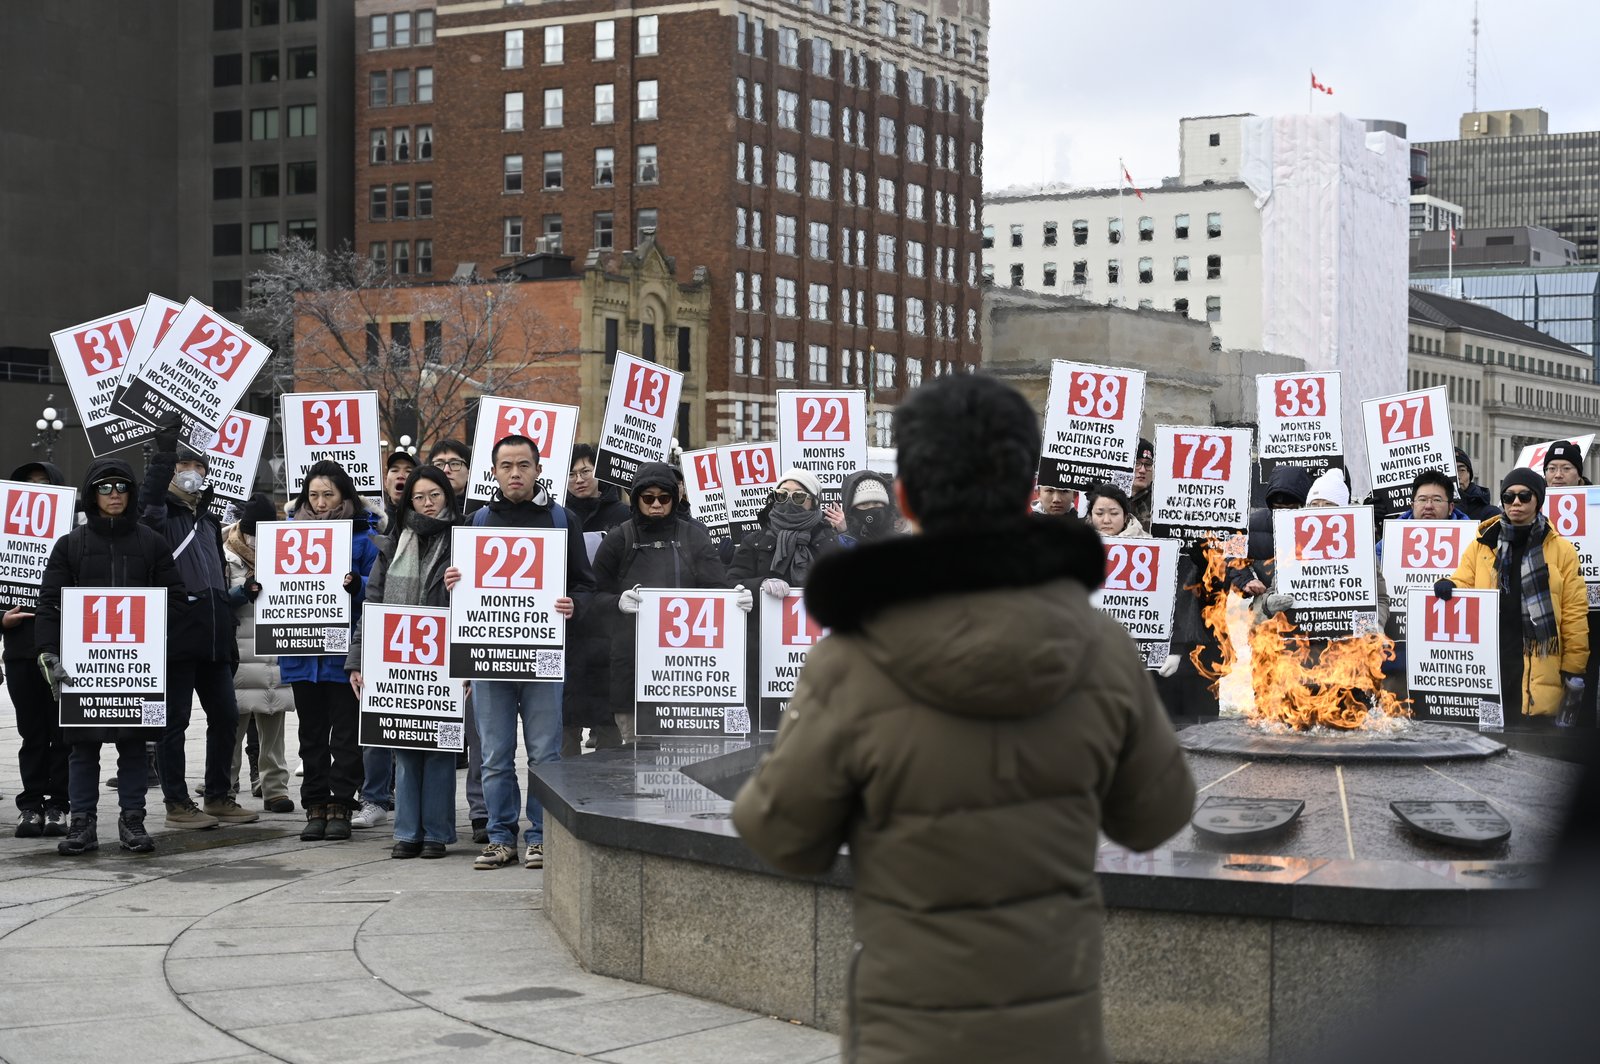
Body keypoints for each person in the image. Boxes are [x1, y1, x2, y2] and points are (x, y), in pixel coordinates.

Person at [732, 374, 1195, 1064]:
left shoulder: (852, 659)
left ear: (909, 498)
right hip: (1054, 1029)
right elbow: (1156, 817)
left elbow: (781, 835)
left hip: (908, 1026)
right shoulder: (1102, 648)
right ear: (1026, 490)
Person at [444, 434, 596, 871]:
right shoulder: (476, 522)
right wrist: (453, 584)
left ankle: (541, 836)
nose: (515, 473)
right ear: (493, 472)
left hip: (542, 654)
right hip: (489, 656)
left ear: (537, 469)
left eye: (523, 465)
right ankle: (498, 837)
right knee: (493, 755)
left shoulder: (562, 520)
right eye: (506, 465)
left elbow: (585, 584)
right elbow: (456, 598)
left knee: (545, 754)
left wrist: (575, 604)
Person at [36, 458, 185, 855]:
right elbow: (50, 603)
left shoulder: (151, 542)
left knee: (135, 748)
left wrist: (158, 646)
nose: (114, 493)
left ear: (131, 492)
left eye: (121, 486)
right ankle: (82, 823)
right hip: (86, 669)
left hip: (135, 668)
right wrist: (48, 652)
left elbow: (175, 599)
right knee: (82, 749)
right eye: (104, 487)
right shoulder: (71, 544)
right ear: (91, 495)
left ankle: (132, 820)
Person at [140, 422, 255, 829]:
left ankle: (219, 795)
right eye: (182, 465)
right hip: (176, 635)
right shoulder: (156, 514)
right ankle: (176, 804)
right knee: (175, 723)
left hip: (213, 635)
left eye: (197, 465)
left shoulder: (207, 521)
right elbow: (151, 497)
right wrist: (164, 452)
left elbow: (217, 578)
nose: (191, 472)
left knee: (225, 716)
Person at [348, 465, 461, 859]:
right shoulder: (393, 543)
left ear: (447, 495)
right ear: (406, 501)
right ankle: (408, 831)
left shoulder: (464, 539)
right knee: (405, 744)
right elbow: (373, 605)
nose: (427, 503)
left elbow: (479, 602)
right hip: (398, 656)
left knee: (442, 748)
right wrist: (358, 660)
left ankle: (437, 833)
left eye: (434, 494)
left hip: (445, 658)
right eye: (419, 496)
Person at [592, 462, 736, 743]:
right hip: (631, 668)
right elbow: (592, 596)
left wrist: (736, 601)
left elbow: (718, 589)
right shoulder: (618, 538)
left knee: (686, 758)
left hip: (686, 675)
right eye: (648, 498)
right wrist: (616, 603)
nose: (656, 504)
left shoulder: (693, 536)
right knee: (637, 759)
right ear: (636, 500)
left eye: (664, 498)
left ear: (674, 498)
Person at [1436, 468, 1589, 723]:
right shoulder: (1483, 543)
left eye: (1524, 496)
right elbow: (1464, 581)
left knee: (1532, 748)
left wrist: (1574, 667)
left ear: (1537, 500)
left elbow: (1574, 613)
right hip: (1493, 656)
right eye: (1508, 497)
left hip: (1539, 660)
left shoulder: (1562, 550)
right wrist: (1449, 585)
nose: (1516, 502)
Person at [279, 461, 380, 841]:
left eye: (329, 494)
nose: (320, 503)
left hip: (344, 655)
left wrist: (357, 584)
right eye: (314, 495)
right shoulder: (287, 536)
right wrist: (260, 589)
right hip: (303, 653)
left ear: (345, 496)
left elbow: (377, 591)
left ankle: (341, 802)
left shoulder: (364, 538)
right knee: (311, 736)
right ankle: (314, 805)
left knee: (346, 736)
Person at [426, 436, 489, 837]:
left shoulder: (485, 519)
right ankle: (434, 818)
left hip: (472, 637)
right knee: (434, 736)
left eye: (455, 464)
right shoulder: (413, 519)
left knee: (480, 735)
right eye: (439, 463)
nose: (447, 470)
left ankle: (481, 811)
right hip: (427, 640)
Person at [5, 460, 72, 838]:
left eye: (43, 483)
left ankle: (58, 805)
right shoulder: (5, 539)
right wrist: (2, 619)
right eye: (28, 484)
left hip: (60, 649)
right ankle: (30, 805)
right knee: (31, 733)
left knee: (61, 734)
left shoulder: (72, 538)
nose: (36, 490)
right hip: (19, 650)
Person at [222, 494, 295, 813]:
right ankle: (222, 787)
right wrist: (240, 593)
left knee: (273, 723)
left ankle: (275, 788)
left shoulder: (286, 551)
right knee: (230, 726)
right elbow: (217, 597)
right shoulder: (223, 551)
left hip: (272, 651)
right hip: (237, 650)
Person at [561, 444, 628, 755]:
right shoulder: (557, 516)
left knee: (608, 725)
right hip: (568, 627)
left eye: (585, 471)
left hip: (607, 628)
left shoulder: (623, 515)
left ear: (599, 474)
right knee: (564, 724)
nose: (579, 479)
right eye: (572, 473)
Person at [1544, 441, 1600, 725]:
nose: (1558, 475)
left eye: (1566, 468)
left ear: (1578, 474)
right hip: (1549, 603)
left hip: (1593, 609)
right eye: (1552, 469)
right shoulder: (1533, 505)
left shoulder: (1596, 505)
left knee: (1585, 672)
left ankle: (1584, 727)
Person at [1231, 464, 1311, 598]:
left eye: (1291, 509)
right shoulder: (1252, 526)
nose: (1283, 514)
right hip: (1269, 607)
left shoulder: (1322, 528)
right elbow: (1231, 554)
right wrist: (1246, 580)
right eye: (1278, 508)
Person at [824, 469, 904, 547]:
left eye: (876, 503)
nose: (872, 508)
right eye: (864, 504)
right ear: (852, 509)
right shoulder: (838, 545)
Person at [1455, 447, 1502, 522]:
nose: (1457, 476)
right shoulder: (1431, 512)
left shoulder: (1490, 514)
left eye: (1461, 470)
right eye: (1452, 471)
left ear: (1469, 475)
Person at [382, 450, 417, 528]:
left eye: (408, 471)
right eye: (394, 470)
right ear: (385, 481)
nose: (400, 475)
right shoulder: (376, 525)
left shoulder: (428, 521)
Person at [1129, 437, 1155, 527]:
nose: (1142, 470)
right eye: (1136, 463)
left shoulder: (1158, 502)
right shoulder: (1107, 497)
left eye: (1148, 464)